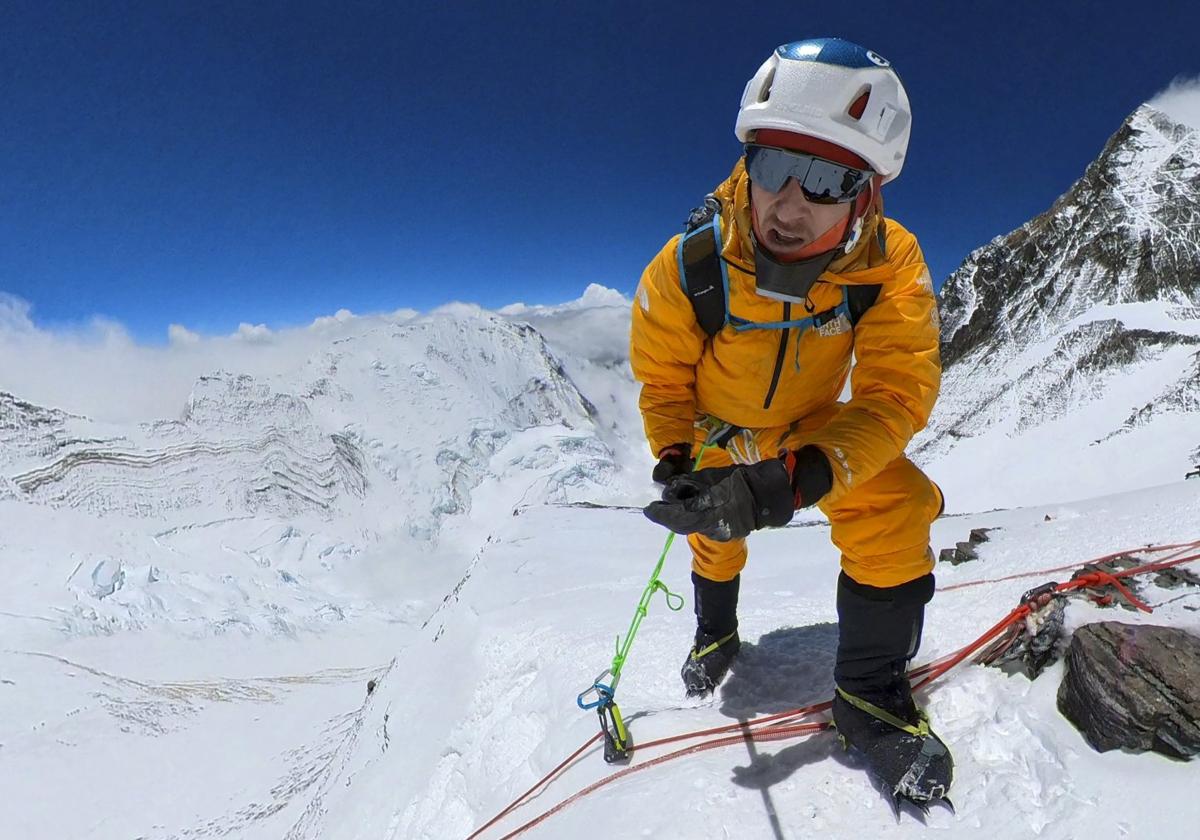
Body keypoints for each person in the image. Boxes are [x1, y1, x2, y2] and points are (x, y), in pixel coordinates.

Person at [630, 38, 951, 807]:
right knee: (716, 529)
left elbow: (893, 394)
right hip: (716, 422)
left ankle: (870, 699)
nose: (790, 203)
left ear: (866, 195)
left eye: (828, 179)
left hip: (811, 425)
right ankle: (716, 632)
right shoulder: (691, 263)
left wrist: (799, 477)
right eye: (772, 166)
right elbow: (664, 379)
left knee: (895, 507)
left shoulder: (890, 267)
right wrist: (678, 459)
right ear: (747, 163)